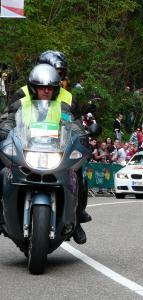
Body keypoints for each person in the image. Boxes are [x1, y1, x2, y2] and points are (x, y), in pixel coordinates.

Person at [0, 64, 90, 244]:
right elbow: (8, 119)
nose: (46, 91)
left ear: (56, 89)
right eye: (42, 87)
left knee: (76, 176)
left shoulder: (63, 107)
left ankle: (75, 218)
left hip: (55, 152)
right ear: (34, 88)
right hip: (27, 150)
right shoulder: (22, 104)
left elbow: (73, 124)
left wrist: (81, 134)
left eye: (50, 88)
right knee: (2, 172)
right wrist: (4, 129)